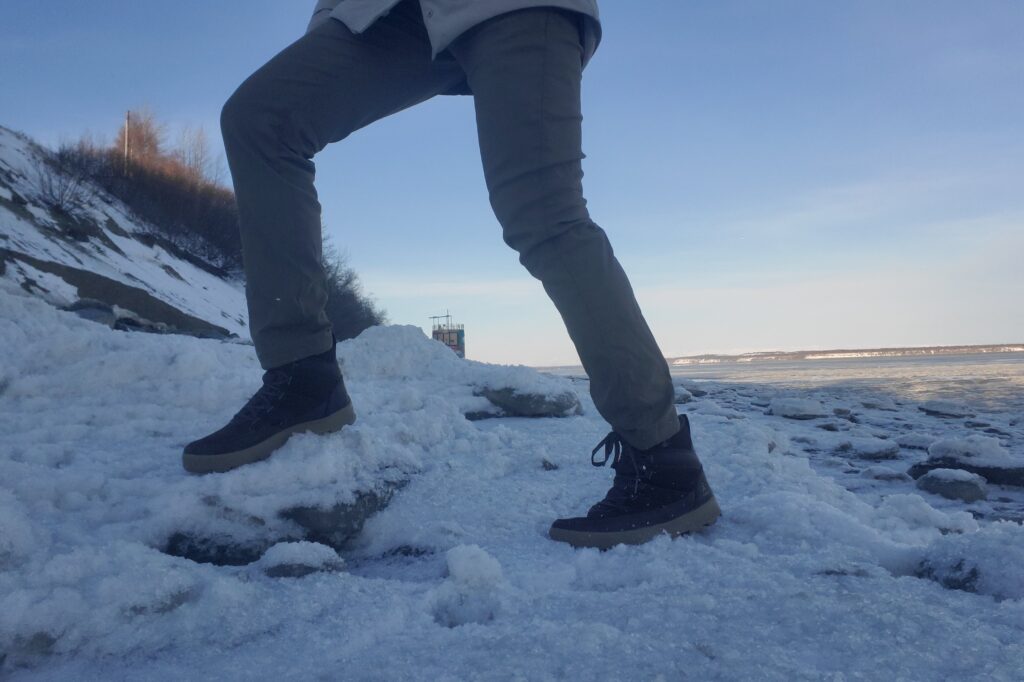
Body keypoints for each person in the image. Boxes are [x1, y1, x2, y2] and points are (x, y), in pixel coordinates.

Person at [183, 0, 720, 549]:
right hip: (389, 13)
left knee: (544, 213)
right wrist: (334, 21)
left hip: (516, 7)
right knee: (260, 118)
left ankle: (664, 460)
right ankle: (301, 379)